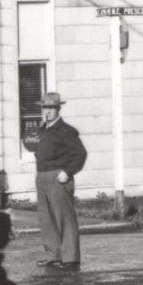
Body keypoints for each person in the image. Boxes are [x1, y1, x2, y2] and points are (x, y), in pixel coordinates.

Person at [33, 91, 87, 271]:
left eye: (51, 108)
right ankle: (53, 255)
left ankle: (70, 258)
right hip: (42, 176)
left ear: (58, 109)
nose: (47, 112)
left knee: (64, 217)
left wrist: (68, 171)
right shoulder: (41, 130)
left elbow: (80, 154)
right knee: (46, 218)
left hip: (58, 176)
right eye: (44, 108)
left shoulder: (66, 131)